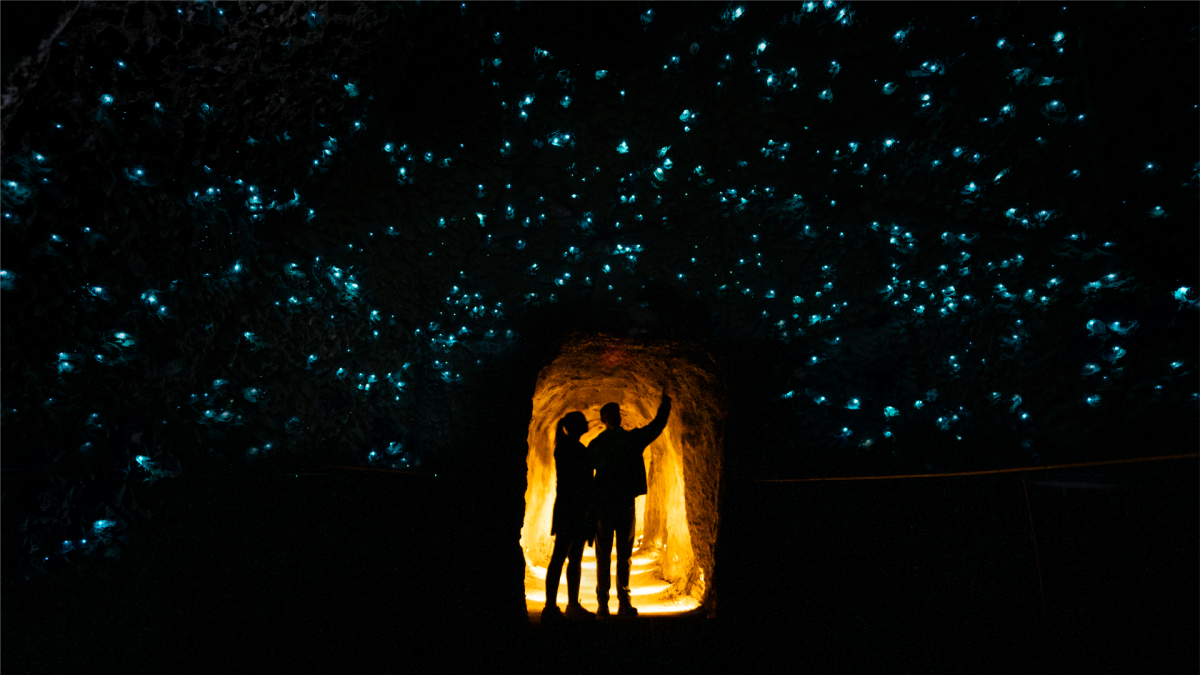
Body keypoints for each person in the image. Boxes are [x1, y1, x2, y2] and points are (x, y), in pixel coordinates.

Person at [589, 385, 672, 618]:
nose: (614, 416)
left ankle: (603, 604)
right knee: (624, 556)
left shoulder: (598, 444)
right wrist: (665, 406)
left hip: (604, 506)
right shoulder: (631, 439)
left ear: (604, 420)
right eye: (613, 413)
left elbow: (585, 472)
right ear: (614, 418)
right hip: (624, 504)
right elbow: (655, 427)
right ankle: (623, 603)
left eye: (613, 413)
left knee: (603, 556)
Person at [542, 411, 597, 622]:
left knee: (563, 557)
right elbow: (584, 482)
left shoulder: (564, 447)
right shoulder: (575, 449)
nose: (587, 424)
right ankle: (563, 606)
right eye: (583, 422)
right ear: (575, 426)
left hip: (567, 508)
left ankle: (554, 606)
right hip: (575, 509)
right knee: (568, 558)